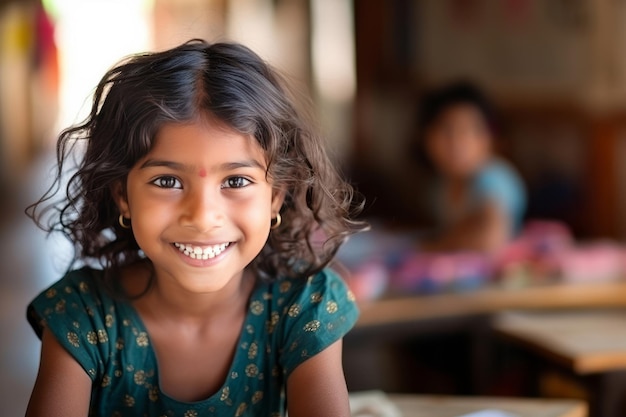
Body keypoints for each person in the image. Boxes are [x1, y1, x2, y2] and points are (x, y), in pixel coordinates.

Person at [25, 39, 366, 417]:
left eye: (236, 182)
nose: (203, 217)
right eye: (168, 182)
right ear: (122, 196)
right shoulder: (83, 316)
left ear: (275, 197)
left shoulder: (304, 305)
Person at [413, 81, 526, 253]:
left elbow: (490, 238)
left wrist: (435, 247)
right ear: (427, 139)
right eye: (446, 130)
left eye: (469, 131)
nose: (456, 143)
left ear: (489, 139)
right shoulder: (440, 187)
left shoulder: (493, 177)